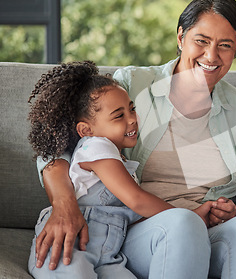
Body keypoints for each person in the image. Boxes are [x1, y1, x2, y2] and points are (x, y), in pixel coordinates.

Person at [33, 0, 236, 279]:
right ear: (180, 37)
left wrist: (230, 210)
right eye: (201, 40)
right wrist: (63, 204)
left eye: (225, 45)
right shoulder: (131, 85)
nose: (211, 55)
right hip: (132, 231)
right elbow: (54, 144)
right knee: (182, 223)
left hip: (203, 229)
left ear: (235, 52)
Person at [27, 61, 181, 278]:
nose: (132, 120)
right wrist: (186, 216)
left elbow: (133, 213)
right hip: (70, 239)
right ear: (86, 130)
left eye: (132, 109)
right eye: (119, 115)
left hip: (110, 252)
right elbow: (137, 200)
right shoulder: (96, 146)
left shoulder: (121, 162)